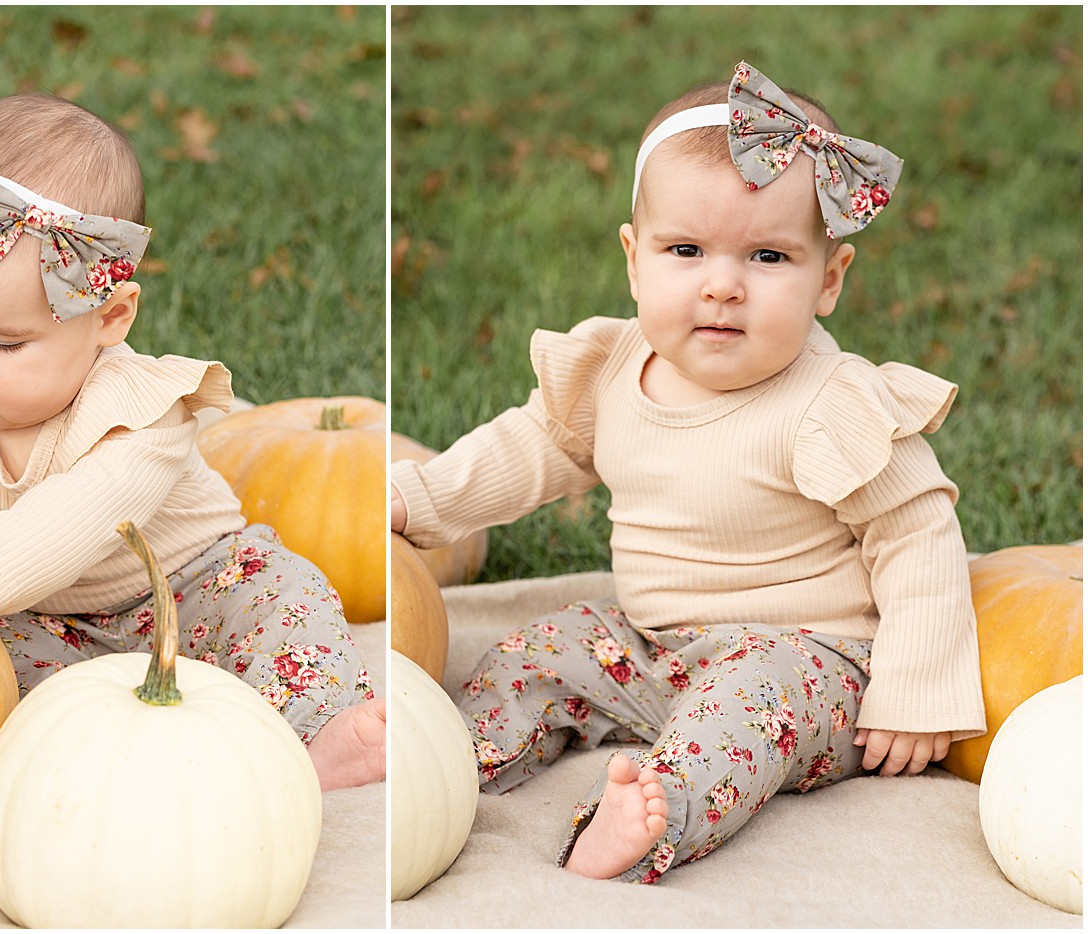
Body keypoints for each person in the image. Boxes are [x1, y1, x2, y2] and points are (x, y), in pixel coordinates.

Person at [389, 62, 985, 881]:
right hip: (648, 646)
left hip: (807, 660)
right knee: (539, 652)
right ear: (635, 262)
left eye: (769, 255)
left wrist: (916, 690)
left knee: (738, 719)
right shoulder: (612, 367)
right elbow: (532, 449)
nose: (722, 285)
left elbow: (917, 536)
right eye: (686, 249)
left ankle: (650, 815)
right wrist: (416, 500)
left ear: (830, 280)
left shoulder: (832, 402)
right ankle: (447, 763)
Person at [0, 93, 384, 791]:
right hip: (37, 618)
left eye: (4, 341)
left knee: (287, 599)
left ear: (111, 318)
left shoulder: (142, 410)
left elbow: (82, 514)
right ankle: (110, 769)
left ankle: (317, 736)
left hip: (194, 586)